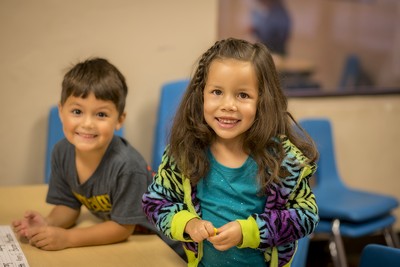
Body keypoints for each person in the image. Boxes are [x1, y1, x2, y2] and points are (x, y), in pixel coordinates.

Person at [142, 38, 319, 267]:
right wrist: (188, 224)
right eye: (217, 91)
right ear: (201, 95)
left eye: (243, 95)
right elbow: (155, 203)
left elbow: (306, 216)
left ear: (263, 101)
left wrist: (248, 231)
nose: (228, 105)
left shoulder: (283, 161)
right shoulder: (185, 153)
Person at [12, 57, 155, 250]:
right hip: (132, 243)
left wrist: (67, 238)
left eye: (101, 114)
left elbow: (122, 228)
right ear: (61, 111)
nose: (87, 124)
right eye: (77, 111)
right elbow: (69, 206)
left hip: (163, 240)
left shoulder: (128, 166)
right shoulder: (62, 153)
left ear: (119, 119)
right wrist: (48, 224)